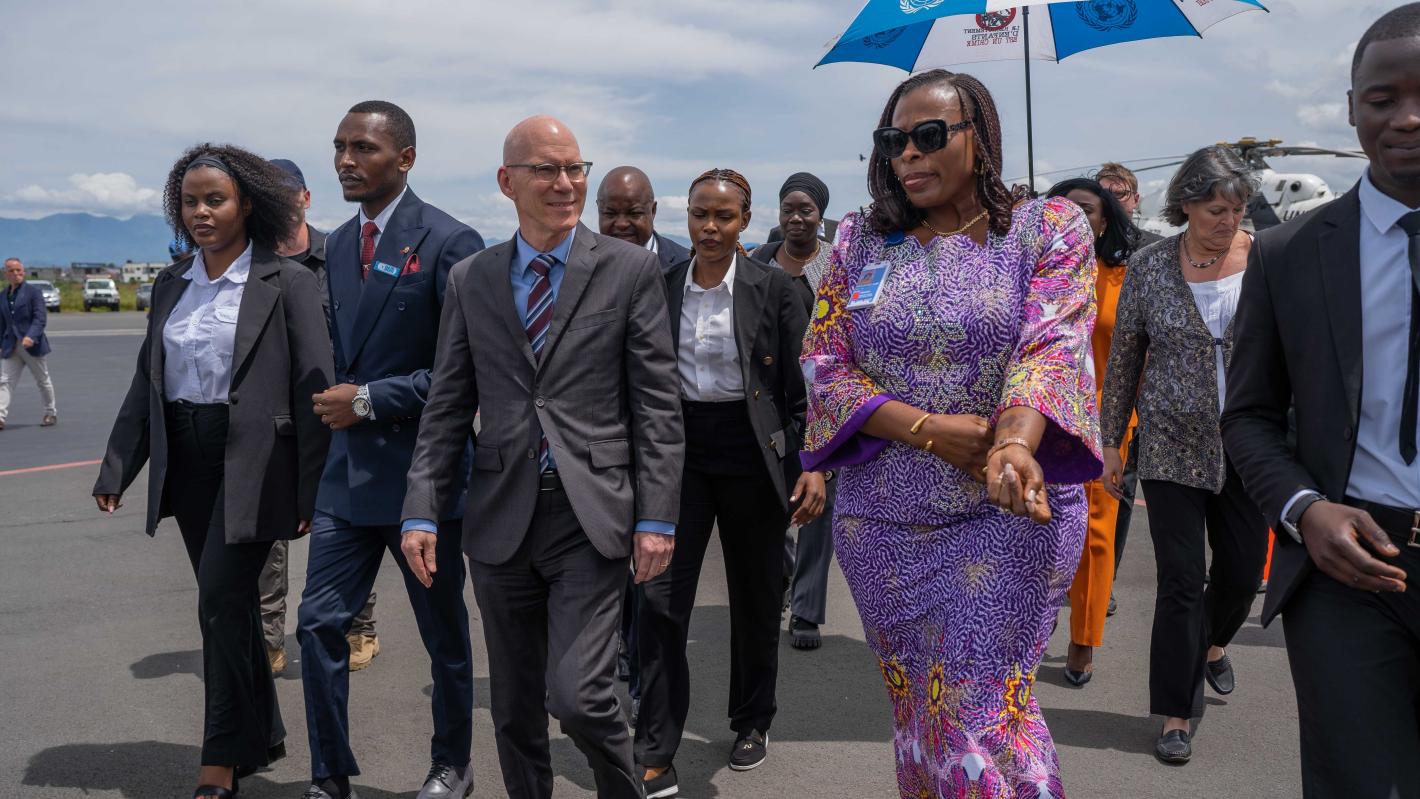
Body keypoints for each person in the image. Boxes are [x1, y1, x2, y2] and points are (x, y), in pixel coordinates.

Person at [801, 69, 1100, 795]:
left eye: (930, 136)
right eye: (894, 140)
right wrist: (931, 431)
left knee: (978, 703)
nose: (909, 154)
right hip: (884, 521)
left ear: (982, 138)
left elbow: (1052, 348)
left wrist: (1012, 444)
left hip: (1006, 506)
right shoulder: (859, 242)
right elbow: (824, 363)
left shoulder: (1047, 228)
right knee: (922, 709)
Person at [400, 115, 683, 799]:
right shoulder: (473, 279)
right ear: (507, 182)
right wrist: (422, 509)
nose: (566, 183)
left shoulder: (628, 269)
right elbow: (445, 406)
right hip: (500, 516)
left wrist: (658, 518)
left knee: (581, 695)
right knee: (516, 704)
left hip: (591, 513)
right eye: (546, 170)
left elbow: (657, 405)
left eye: (574, 168)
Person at [92, 144, 334, 798]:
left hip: (256, 461)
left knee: (217, 603)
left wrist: (314, 485)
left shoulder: (288, 281)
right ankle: (264, 732)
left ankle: (220, 762)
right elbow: (149, 379)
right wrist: (119, 465)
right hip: (188, 458)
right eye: (191, 201)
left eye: (215, 199)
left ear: (248, 203)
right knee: (229, 607)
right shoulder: (172, 282)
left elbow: (317, 387)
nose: (201, 211)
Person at [1222, 6, 1420, 795]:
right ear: (1350, 108)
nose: (1408, 117)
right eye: (1382, 99)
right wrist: (1305, 507)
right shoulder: (1288, 253)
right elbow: (1249, 415)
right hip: (1350, 567)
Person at [296, 101, 485, 799]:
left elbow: (464, 369)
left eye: (363, 148)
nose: (346, 159)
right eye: (340, 146)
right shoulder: (339, 245)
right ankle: (330, 771)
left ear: (404, 158)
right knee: (317, 624)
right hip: (347, 478)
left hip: (422, 478)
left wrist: (369, 398)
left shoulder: (449, 242)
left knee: (444, 636)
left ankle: (451, 763)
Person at [634, 169, 823, 797]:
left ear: (745, 221)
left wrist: (810, 463)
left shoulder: (773, 288)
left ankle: (752, 720)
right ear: (685, 216)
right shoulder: (659, 285)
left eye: (724, 217)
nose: (710, 229)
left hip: (752, 455)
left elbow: (805, 391)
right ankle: (657, 742)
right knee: (660, 600)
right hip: (678, 453)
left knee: (756, 595)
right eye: (699, 215)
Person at [1099, 144, 1268, 764]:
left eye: (1238, 208)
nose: (1230, 220)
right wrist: (1111, 443)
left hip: (1249, 442)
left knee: (1244, 571)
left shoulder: (1265, 259)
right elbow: (1124, 362)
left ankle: (1214, 645)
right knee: (1179, 580)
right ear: (1187, 206)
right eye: (1218, 209)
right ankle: (1175, 712)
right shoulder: (1149, 266)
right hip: (1171, 443)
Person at [257, 158, 380, 677]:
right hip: (271, 416)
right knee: (267, 530)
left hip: (334, 410)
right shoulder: (250, 264)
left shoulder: (342, 254)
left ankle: (357, 626)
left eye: (285, 195)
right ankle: (268, 639)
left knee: (346, 522)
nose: (278, 205)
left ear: (305, 198)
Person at [595, 164, 689, 720]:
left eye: (634, 211)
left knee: (650, 571)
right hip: (600, 438)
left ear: (654, 212)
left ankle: (641, 677)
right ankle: (611, 662)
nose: (622, 222)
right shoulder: (578, 261)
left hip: (660, 434)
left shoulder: (680, 265)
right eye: (611, 211)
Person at [1045, 178, 1139, 686]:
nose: (1074, 218)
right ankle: (1024, 631)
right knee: (1029, 526)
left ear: (1105, 221)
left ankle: (1083, 641)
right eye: (1063, 209)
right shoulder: (1033, 274)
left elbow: (1135, 359)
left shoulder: (1123, 278)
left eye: (1085, 210)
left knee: (1097, 536)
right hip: (1039, 414)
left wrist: (1125, 424)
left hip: (1103, 418)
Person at [748, 172, 837, 650]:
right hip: (770, 399)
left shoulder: (837, 265)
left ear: (820, 214)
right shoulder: (760, 261)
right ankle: (782, 577)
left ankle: (806, 611)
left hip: (825, 399)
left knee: (818, 510)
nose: (796, 218)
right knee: (774, 500)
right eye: (788, 209)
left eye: (805, 209)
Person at [1095, 161, 1158, 615]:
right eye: (1106, 193)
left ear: (1136, 201)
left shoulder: (1153, 254)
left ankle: (1105, 578)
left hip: (1134, 403)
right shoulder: (1075, 252)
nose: (1115, 199)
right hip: (1082, 389)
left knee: (1117, 493)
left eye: (1123, 192)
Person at [597, 165, 692, 273]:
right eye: (610, 214)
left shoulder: (687, 267)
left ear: (653, 210)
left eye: (634, 213)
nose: (621, 224)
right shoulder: (582, 265)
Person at [0, 257, 57, 430]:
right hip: (11, 346)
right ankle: (0, 417)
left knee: (43, 380)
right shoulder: (3, 295)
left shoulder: (33, 293)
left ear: (23, 272)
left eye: (19, 270)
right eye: (12, 270)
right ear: (6, 273)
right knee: (5, 381)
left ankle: (50, 413)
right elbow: (1, 323)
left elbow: (40, 318)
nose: (16, 273)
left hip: (32, 345)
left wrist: (31, 336)